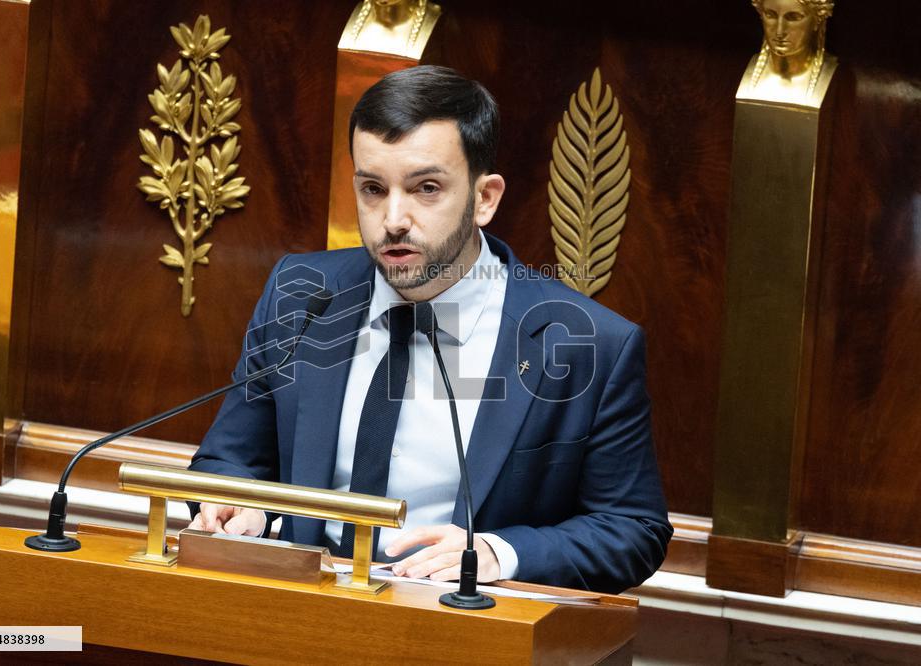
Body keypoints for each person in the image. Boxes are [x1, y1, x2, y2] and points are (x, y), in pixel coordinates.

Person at [187, 65, 671, 593]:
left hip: (460, 626)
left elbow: (632, 529)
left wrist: (497, 552)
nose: (393, 219)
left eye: (426, 189)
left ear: (484, 198)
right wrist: (243, 505)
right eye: (373, 189)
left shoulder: (584, 342)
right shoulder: (299, 295)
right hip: (297, 609)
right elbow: (230, 459)